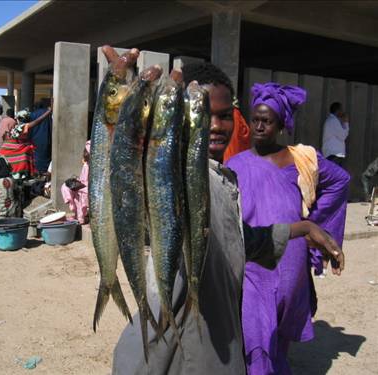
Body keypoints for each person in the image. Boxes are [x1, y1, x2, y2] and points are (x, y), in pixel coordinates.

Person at [110, 52, 344, 374]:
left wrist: (302, 227)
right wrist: (131, 119)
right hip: (182, 356)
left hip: (221, 348)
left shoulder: (225, 177)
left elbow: (238, 239)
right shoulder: (174, 173)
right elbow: (146, 191)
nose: (217, 126)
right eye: (204, 114)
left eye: (225, 115)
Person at [226, 83, 350, 374]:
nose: (258, 126)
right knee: (255, 332)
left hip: (291, 261)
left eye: (266, 121)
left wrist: (314, 226)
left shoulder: (300, 160)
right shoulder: (234, 164)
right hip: (255, 261)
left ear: (281, 125)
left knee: (278, 335)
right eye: (255, 119)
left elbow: (340, 181)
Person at [0, 108, 51, 179]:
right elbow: (37, 121)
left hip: (9, 147)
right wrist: (47, 113)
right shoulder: (23, 126)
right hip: (15, 148)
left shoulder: (17, 126)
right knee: (24, 158)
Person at [61, 140, 90, 224]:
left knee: (82, 194)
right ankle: (71, 204)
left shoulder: (94, 166)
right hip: (83, 186)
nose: (85, 153)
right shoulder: (86, 165)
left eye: (86, 151)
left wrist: (81, 186)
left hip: (88, 189)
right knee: (65, 186)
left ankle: (80, 217)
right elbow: (83, 178)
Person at [322, 102, 349, 167]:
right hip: (334, 154)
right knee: (334, 176)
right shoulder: (333, 121)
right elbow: (342, 136)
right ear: (338, 110)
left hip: (333, 154)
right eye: (342, 109)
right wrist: (346, 123)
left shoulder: (332, 120)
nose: (343, 112)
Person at [30, 98, 53, 174]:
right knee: (46, 156)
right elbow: (51, 126)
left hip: (35, 139)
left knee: (37, 157)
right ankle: (45, 171)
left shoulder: (32, 114)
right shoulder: (47, 114)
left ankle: (38, 171)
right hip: (46, 138)